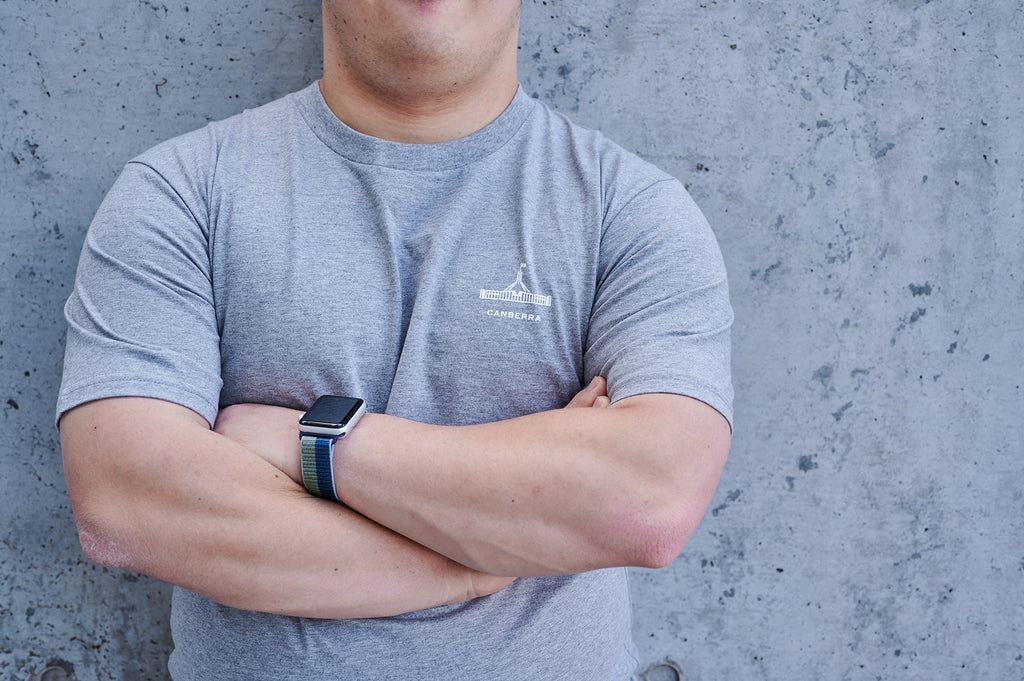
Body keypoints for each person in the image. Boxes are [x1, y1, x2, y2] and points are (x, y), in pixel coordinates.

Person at [57, 1, 733, 679]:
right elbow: (128, 503)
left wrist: (311, 442)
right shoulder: (181, 194)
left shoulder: (631, 212)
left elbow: (649, 503)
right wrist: (477, 562)